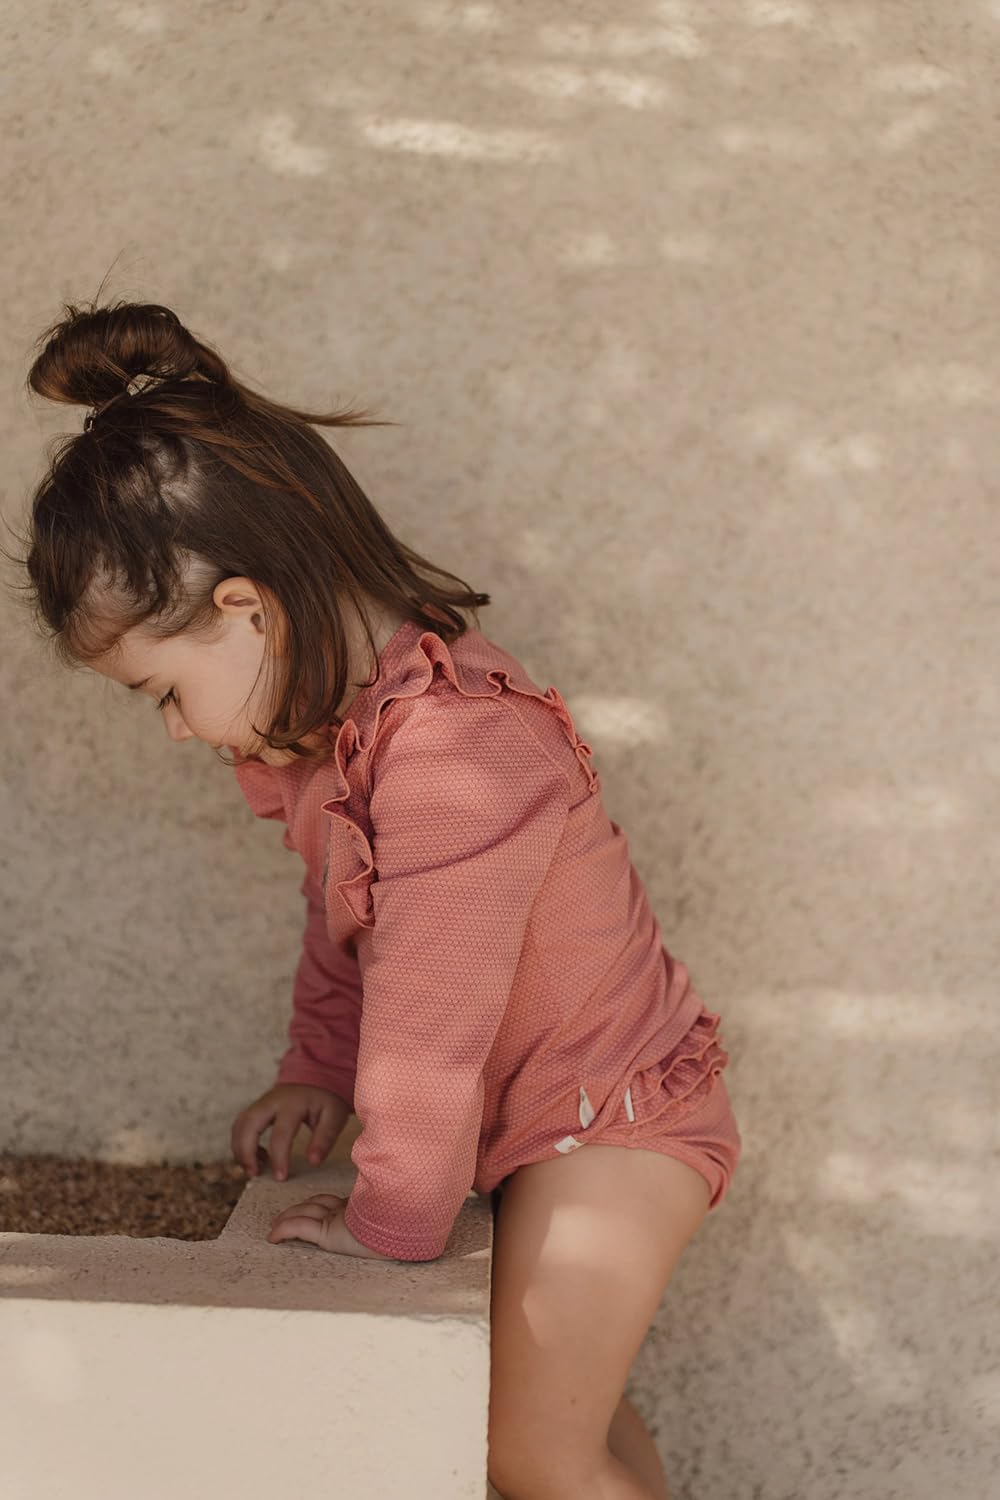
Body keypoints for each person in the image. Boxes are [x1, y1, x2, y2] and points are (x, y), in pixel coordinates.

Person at [10, 297, 742, 1500]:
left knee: (525, 1451)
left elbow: (432, 1007)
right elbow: (352, 929)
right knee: (576, 1427)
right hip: (545, 1123)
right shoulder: (336, 747)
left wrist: (389, 1217)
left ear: (246, 610)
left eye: (164, 691)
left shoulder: (456, 752)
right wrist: (313, 1067)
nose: (177, 729)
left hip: (612, 1118)